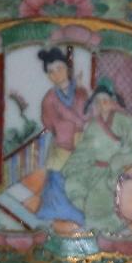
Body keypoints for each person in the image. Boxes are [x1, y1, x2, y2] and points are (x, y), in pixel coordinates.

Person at [61, 78, 132, 232]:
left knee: (101, 201)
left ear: (112, 101)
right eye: (98, 102)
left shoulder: (124, 121)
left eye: (105, 100)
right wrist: (71, 165)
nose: (101, 105)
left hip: (115, 172)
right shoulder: (92, 125)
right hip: (94, 170)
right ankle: (92, 230)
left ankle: (109, 233)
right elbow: (83, 150)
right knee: (73, 185)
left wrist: (118, 160)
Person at [33, 47, 88, 225]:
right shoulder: (49, 98)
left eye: (59, 68)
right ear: (48, 76)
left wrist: (77, 125)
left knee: (79, 177)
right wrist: (66, 128)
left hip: (80, 141)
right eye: (51, 71)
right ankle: (55, 210)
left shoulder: (80, 92)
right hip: (61, 143)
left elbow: (87, 114)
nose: (56, 74)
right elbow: (49, 121)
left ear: (67, 68)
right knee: (57, 178)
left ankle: (77, 211)